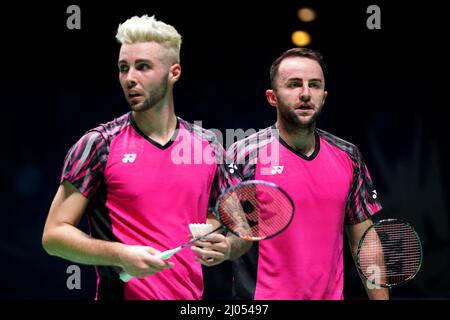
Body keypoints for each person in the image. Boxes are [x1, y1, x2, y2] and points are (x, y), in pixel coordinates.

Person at [42, 14, 240, 300]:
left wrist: (224, 244)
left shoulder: (208, 146)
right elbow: (54, 236)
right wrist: (120, 254)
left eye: (143, 67)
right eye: (124, 68)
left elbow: (240, 224)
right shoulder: (99, 145)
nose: (130, 78)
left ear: (174, 73)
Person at [226, 48, 389, 300]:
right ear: (272, 97)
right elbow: (231, 234)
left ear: (323, 97)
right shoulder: (243, 155)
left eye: (314, 85)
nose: (305, 93)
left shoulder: (348, 156)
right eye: (293, 85)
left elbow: (365, 242)